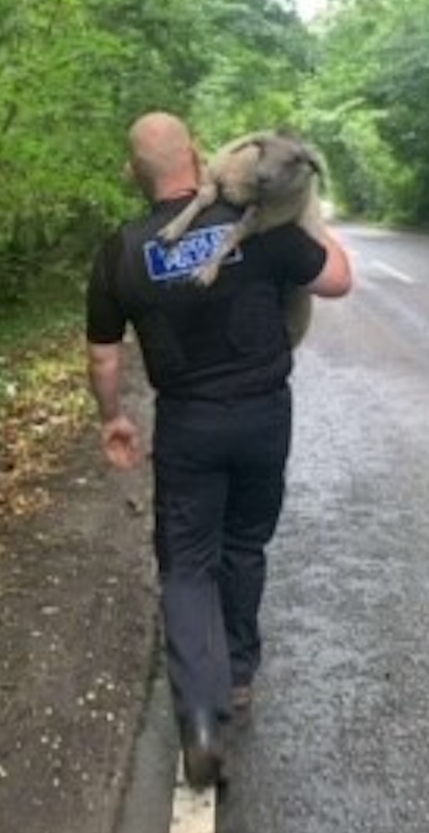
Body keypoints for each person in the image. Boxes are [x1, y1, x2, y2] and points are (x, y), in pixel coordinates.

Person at [86, 112, 352, 788]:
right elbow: (338, 279)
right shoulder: (260, 227)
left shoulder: (121, 249)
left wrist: (114, 418)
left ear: (132, 173)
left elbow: (104, 356)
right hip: (265, 418)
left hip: (188, 427)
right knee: (243, 546)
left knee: (187, 564)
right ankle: (236, 677)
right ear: (198, 155)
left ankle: (200, 721)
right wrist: (308, 215)